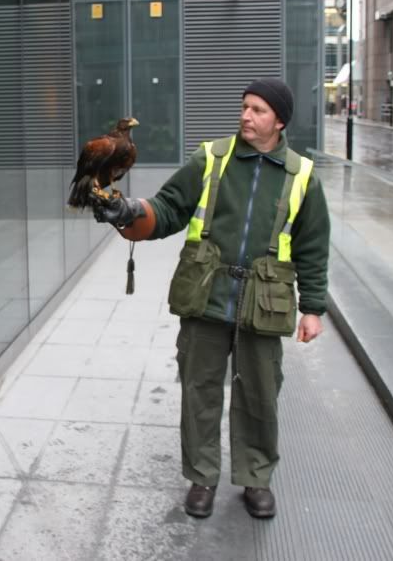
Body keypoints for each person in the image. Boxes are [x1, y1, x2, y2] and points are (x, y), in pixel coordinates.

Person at [93, 78, 330, 520]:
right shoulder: (211, 159)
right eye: (244, 106)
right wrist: (131, 214)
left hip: (265, 303)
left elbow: (313, 246)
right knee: (199, 392)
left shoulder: (302, 177)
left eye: (258, 110)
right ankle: (202, 476)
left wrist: (313, 307)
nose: (246, 116)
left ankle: (256, 478)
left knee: (260, 395)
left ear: (279, 121)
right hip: (206, 295)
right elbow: (168, 208)